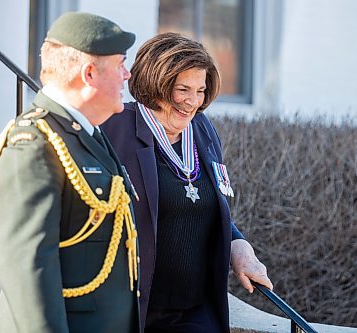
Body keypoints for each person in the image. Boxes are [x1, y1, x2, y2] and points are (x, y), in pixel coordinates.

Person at [101, 32, 273, 333]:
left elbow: (205, 205)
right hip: (132, 312)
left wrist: (239, 246)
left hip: (193, 311)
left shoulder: (203, 130)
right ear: (156, 84)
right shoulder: (116, 128)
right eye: (183, 89)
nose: (193, 102)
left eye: (201, 90)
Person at [0, 12, 140, 333]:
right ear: (90, 73)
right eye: (121, 64)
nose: (127, 75)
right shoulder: (34, 144)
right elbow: (27, 268)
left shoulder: (87, 134)